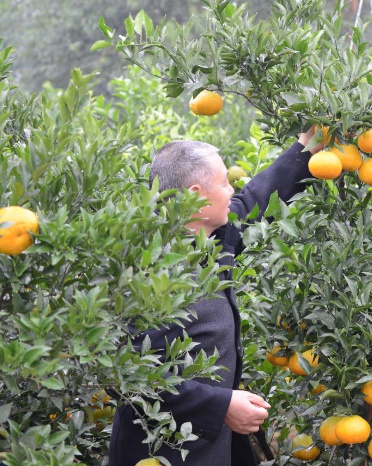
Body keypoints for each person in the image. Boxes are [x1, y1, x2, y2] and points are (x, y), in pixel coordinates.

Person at [109, 126, 322, 466]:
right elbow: (126, 374)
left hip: (214, 449)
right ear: (196, 194)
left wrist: (305, 148)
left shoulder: (211, 241)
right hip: (162, 453)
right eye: (224, 182)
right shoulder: (149, 272)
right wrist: (221, 406)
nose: (232, 189)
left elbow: (254, 200)